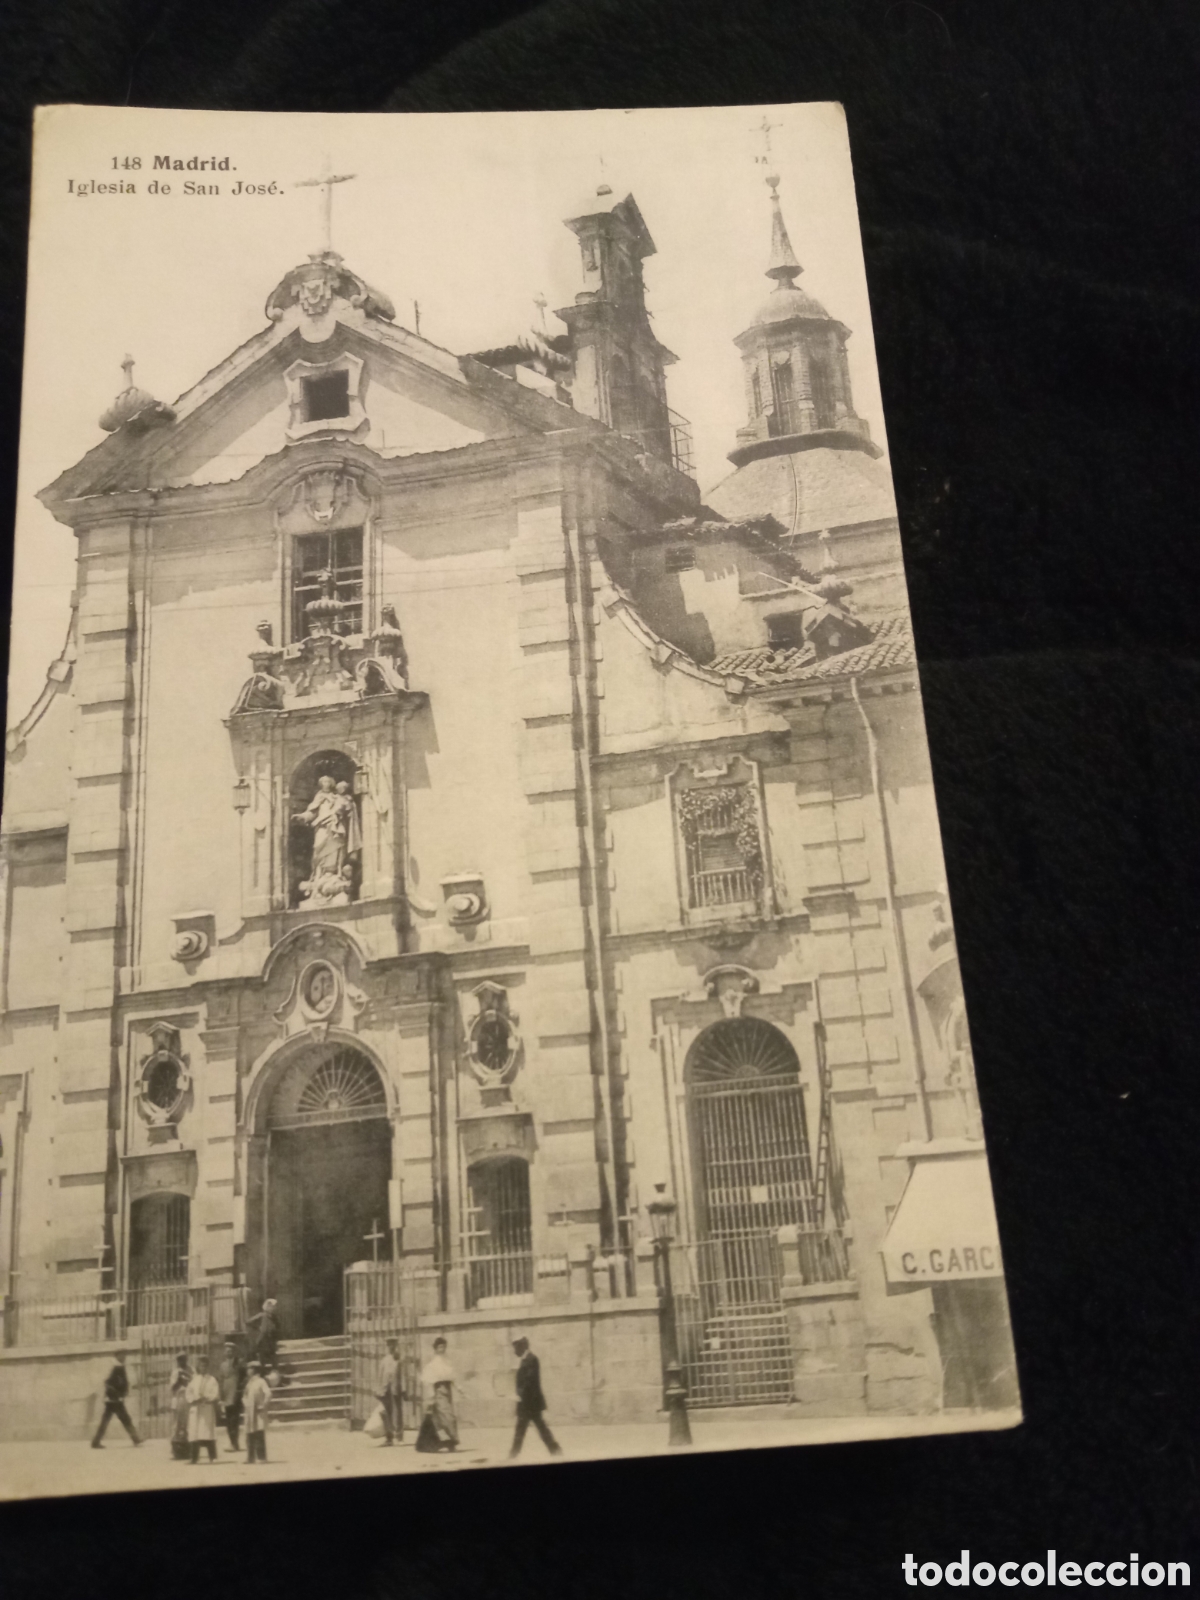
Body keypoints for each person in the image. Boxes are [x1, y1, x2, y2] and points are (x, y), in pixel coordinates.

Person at [507, 1336, 562, 1460]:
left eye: (516, 1347)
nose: (514, 1351)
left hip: (530, 1403)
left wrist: (518, 1394)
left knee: (524, 1430)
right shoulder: (526, 1359)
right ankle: (555, 1450)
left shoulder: (532, 1359)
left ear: (523, 1346)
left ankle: (513, 1455)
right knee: (536, 1429)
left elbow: (529, 1381)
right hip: (529, 1403)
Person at [90, 1349, 141, 1449]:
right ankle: (135, 1438)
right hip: (114, 1400)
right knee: (125, 1419)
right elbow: (108, 1383)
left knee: (109, 1420)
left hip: (114, 1399)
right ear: (117, 1356)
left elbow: (121, 1382)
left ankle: (96, 1442)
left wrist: (123, 1391)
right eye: (122, 1355)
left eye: (125, 1355)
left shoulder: (119, 1367)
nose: (124, 1357)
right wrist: (117, 1394)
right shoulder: (115, 1367)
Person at [416, 1335, 459, 1454]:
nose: (442, 1349)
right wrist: (431, 1396)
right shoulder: (432, 1364)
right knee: (446, 1417)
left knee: (449, 1416)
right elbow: (428, 1381)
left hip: (447, 1390)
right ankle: (450, 1441)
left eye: (444, 1347)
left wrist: (460, 1389)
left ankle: (451, 1443)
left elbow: (453, 1377)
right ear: (435, 1348)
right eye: (440, 1347)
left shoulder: (448, 1362)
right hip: (438, 1391)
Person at [185, 1353, 220, 1464]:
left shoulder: (212, 1380)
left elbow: (215, 1393)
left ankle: (212, 1457)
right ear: (198, 1367)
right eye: (201, 1366)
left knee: (208, 1432)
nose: (203, 1368)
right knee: (195, 1432)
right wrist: (194, 1399)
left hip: (207, 1409)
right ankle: (194, 1458)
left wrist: (208, 1398)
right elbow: (188, 1392)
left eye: (205, 1366)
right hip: (196, 1409)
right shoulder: (194, 1379)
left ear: (207, 1366)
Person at [217, 1340, 245, 1453]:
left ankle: (235, 1443)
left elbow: (243, 1378)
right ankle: (232, 1442)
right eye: (227, 1351)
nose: (229, 1353)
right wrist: (221, 1396)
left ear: (234, 1352)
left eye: (231, 1351)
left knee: (234, 1419)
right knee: (228, 1420)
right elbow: (220, 1380)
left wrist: (240, 1390)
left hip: (236, 1394)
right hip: (226, 1394)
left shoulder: (239, 1363)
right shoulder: (222, 1365)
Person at [242, 1359, 272, 1463]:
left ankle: (261, 1457)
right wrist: (246, 1404)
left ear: (254, 1370)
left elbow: (268, 1393)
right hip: (250, 1412)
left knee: (259, 1433)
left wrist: (263, 1405)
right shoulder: (249, 1383)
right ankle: (250, 1457)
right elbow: (244, 1396)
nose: (248, 1371)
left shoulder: (261, 1381)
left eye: (249, 1369)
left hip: (258, 1411)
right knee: (249, 1434)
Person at [375, 1337, 403, 1446]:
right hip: (385, 1390)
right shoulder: (384, 1360)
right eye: (389, 1345)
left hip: (396, 1388)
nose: (391, 1347)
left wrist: (404, 1389)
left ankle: (399, 1437)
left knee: (398, 1413)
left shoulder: (399, 1359)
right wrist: (378, 1390)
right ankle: (389, 1437)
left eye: (393, 1345)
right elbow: (380, 1376)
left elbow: (403, 1375)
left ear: (396, 1346)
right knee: (386, 1413)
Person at [169, 1351, 193, 1460]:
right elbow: (173, 1388)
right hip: (178, 1398)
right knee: (176, 1424)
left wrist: (187, 1380)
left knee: (188, 1424)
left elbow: (194, 1384)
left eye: (183, 1359)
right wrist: (179, 1381)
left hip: (188, 1398)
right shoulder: (175, 1372)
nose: (181, 1361)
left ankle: (188, 1450)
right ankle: (175, 1450)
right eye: (179, 1359)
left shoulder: (191, 1370)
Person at [246, 1297, 279, 1374]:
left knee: (274, 1361)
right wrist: (258, 1328)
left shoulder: (274, 1318)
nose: (273, 1308)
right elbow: (249, 1322)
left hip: (271, 1341)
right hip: (263, 1341)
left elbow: (277, 1328)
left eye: (274, 1307)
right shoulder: (262, 1315)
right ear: (267, 1307)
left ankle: (274, 1377)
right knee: (262, 1361)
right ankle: (262, 1376)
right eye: (271, 1306)